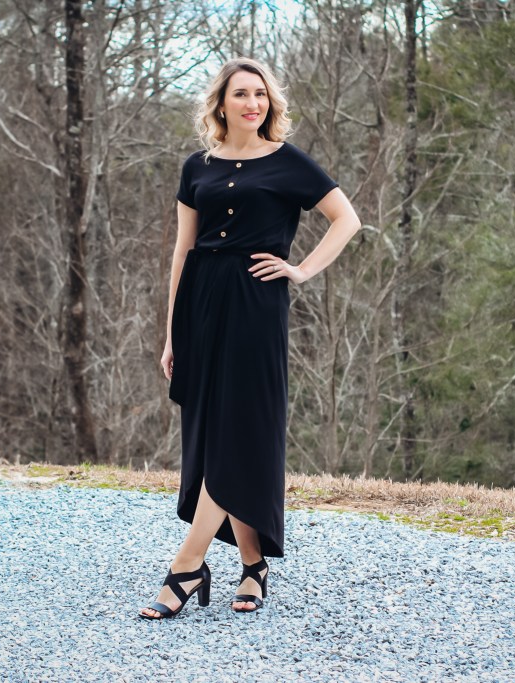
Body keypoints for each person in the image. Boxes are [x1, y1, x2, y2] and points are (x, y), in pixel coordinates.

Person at [139, 57, 361, 619]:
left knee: (238, 433)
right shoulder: (197, 167)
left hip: (255, 306)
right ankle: (253, 565)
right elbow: (182, 253)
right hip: (201, 305)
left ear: (270, 103)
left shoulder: (289, 162)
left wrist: (301, 270)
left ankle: (188, 564)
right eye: (241, 94)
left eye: (260, 94)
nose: (252, 103)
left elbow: (347, 219)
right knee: (215, 435)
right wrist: (171, 332)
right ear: (221, 103)